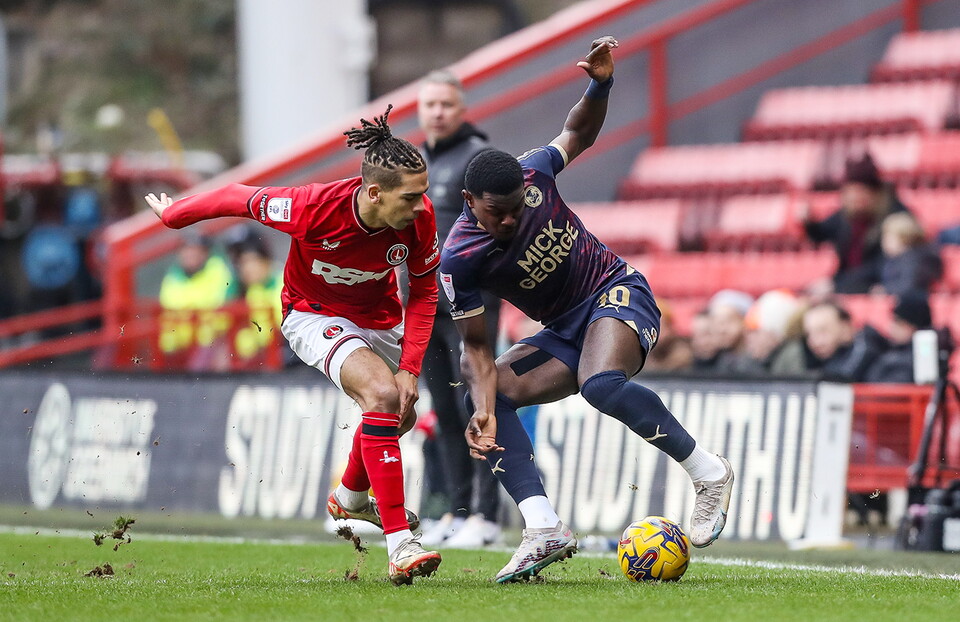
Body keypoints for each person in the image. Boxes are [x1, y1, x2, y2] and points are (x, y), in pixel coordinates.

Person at [439, 36, 734, 583]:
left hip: (615, 292)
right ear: (469, 202)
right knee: (490, 394)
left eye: (514, 210)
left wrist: (601, 85)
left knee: (599, 385)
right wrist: (481, 409)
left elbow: (577, 133)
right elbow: (475, 348)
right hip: (564, 328)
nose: (509, 221)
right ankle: (543, 527)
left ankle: (708, 472)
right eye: (497, 213)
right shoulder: (458, 259)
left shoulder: (533, 173)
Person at [145, 106, 442, 585]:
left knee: (399, 415)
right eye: (410, 197)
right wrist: (177, 215)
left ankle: (349, 497)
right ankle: (400, 546)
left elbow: (426, 290)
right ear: (374, 192)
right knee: (382, 396)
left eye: (422, 194)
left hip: (380, 318)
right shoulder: (312, 207)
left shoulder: (419, 219)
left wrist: (409, 367)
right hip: (313, 314)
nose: (421, 206)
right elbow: (238, 197)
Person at [416, 70, 503, 547]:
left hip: (470, 305)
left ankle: (486, 515)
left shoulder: (477, 159)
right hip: (425, 305)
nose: (438, 112)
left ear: (462, 109)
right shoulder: (416, 161)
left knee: (478, 404)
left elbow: (503, 228)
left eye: (446, 104)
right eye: (430, 104)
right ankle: (458, 510)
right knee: (445, 410)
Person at [800, 152, 911, 294]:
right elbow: (821, 233)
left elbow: (881, 265)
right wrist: (809, 223)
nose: (853, 198)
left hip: (876, 286)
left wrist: (836, 285)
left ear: (874, 193)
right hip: (846, 282)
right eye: (850, 192)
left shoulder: (894, 217)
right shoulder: (846, 215)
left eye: (859, 192)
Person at [157, 232, 234, 365]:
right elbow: (167, 312)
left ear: (205, 253)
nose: (190, 255)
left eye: (196, 250)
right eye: (186, 250)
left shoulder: (217, 270)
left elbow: (221, 312)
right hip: (178, 344)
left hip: (209, 341)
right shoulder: (173, 277)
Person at [801, 300, 887, 382]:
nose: (814, 341)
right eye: (808, 334)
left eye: (823, 331)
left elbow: (840, 381)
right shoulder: (822, 357)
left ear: (845, 327)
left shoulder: (865, 348)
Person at [865, 292, 932, 383]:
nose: (892, 327)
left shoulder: (913, 360)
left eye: (898, 322)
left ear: (914, 327)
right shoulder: (887, 348)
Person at [876, 212, 943, 298]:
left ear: (904, 238)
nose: (884, 242)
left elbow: (909, 286)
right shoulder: (892, 259)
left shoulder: (918, 258)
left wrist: (885, 290)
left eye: (888, 238)